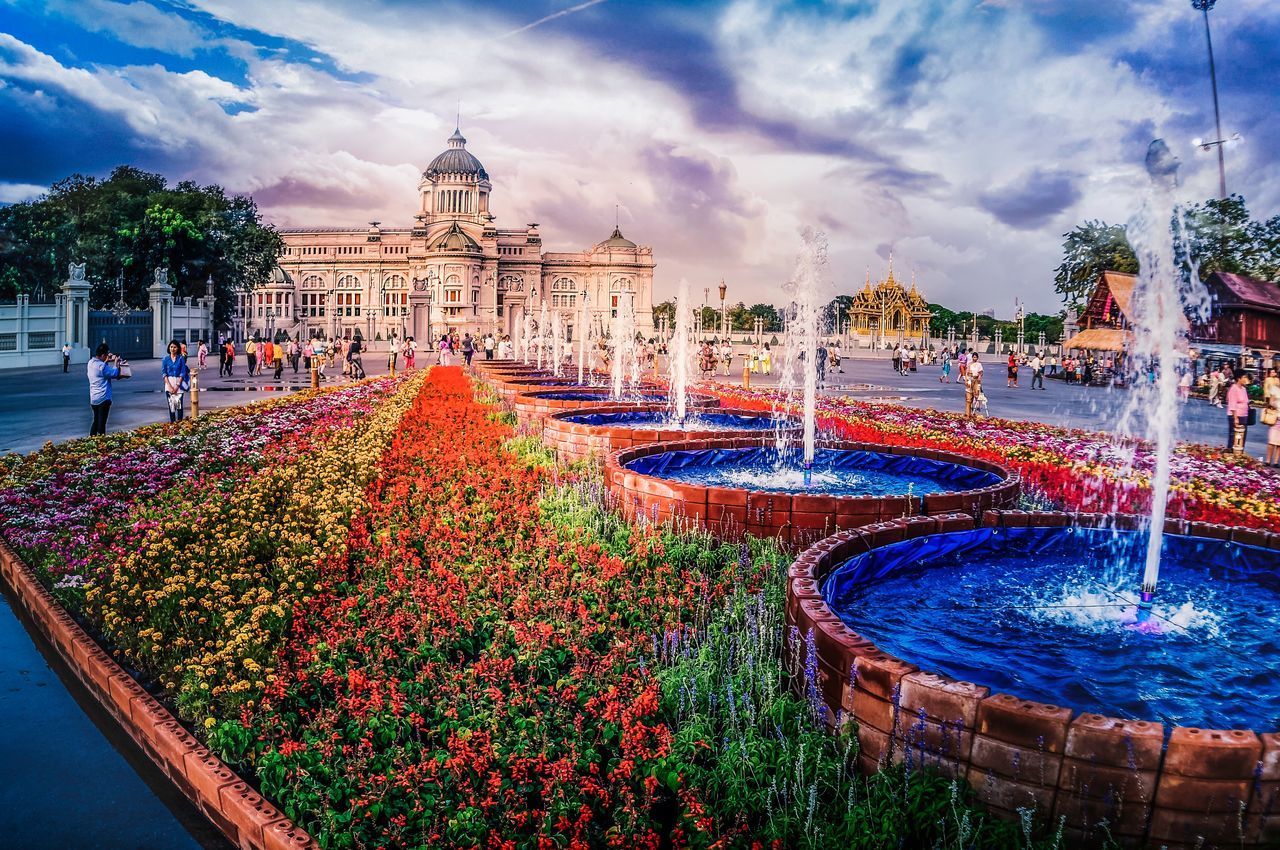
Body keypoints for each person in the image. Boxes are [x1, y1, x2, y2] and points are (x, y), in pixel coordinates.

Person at [88, 342, 123, 436]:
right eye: (106, 355)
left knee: (96, 420)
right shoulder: (102, 366)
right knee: (102, 423)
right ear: (103, 355)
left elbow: (101, 371)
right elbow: (114, 373)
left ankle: (92, 439)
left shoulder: (91, 363)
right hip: (103, 398)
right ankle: (101, 441)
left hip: (94, 398)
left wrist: (106, 361)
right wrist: (115, 363)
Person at [161, 339, 191, 423]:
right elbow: (164, 373)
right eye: (171, 347)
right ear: (169, 348)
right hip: (169, 383)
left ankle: (180, 424)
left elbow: (183, 371)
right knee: (172, 407)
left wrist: (177, 385)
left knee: (179, 406)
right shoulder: (165, 359)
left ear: (178, 348)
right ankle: (173, 425)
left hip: (179, 383)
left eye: (174, 347)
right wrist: (170, 386)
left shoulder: (180, 358)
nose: (172, 349)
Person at [1226, 371, 1251, 454]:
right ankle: (1231, 453)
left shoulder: (1243, 389)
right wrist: (1235, 418)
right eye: (1244, 377)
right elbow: (1232, 404)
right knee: (1234, 435)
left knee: (1242, 436)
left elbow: (1245, 401)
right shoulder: (1234, 388)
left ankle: (1240, 453)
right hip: (1235, 415)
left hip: (1244, 415)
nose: (1246, 379)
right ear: (1238, 379)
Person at [1265, 368, 1280, 467]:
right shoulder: (1275, 390)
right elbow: (1271, 402)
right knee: (1271, 441)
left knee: (1279, 443)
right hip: (1276, 417)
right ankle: (1267, 460)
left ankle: (1276, 461)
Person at [964, 352, 984, 420]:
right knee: (968, 399)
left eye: (976, 357)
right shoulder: (969, 364)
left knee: (976, 396)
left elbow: (981, 373)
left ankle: (975, 412)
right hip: (970, 380)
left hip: (976, 381)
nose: (974, 358)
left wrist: (979, 379)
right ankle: (967, 414)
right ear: (972, 357)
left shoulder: (979, 364)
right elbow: (967, 373)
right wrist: (966, 380)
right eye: (973, 357)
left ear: (977, 358)